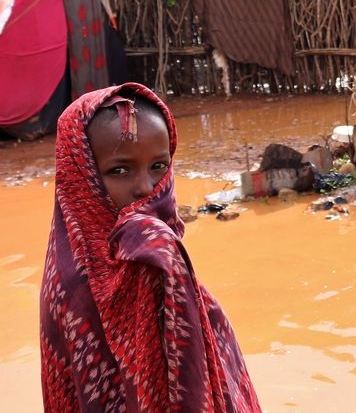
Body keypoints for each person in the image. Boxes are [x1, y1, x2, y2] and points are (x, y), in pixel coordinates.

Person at [40, 84, 261, 411]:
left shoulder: (65, 264)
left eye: (159, 166)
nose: (145, 187)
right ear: (81, 176)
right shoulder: (143, 256)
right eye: (119, 170)